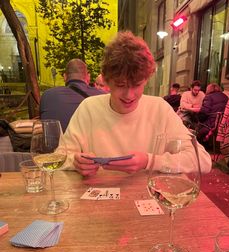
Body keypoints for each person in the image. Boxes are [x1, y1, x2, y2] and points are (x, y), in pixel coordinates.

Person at [60, 31, 211, 177]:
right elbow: (59, 157)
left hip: (150, 197)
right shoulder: (89, 108)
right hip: (99, 199)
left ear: (146, 79)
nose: (129, 95)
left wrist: (149, 161)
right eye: (120, 85)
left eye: (137, 85)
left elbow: (202, 160)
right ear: (106, 81)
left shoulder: (159, 109)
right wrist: (75, 162)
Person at [40, 59, 105, 132]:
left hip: (55, 143)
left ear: (65, 76)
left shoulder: (47, 95)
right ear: (88, 77)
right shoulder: (102, 97)